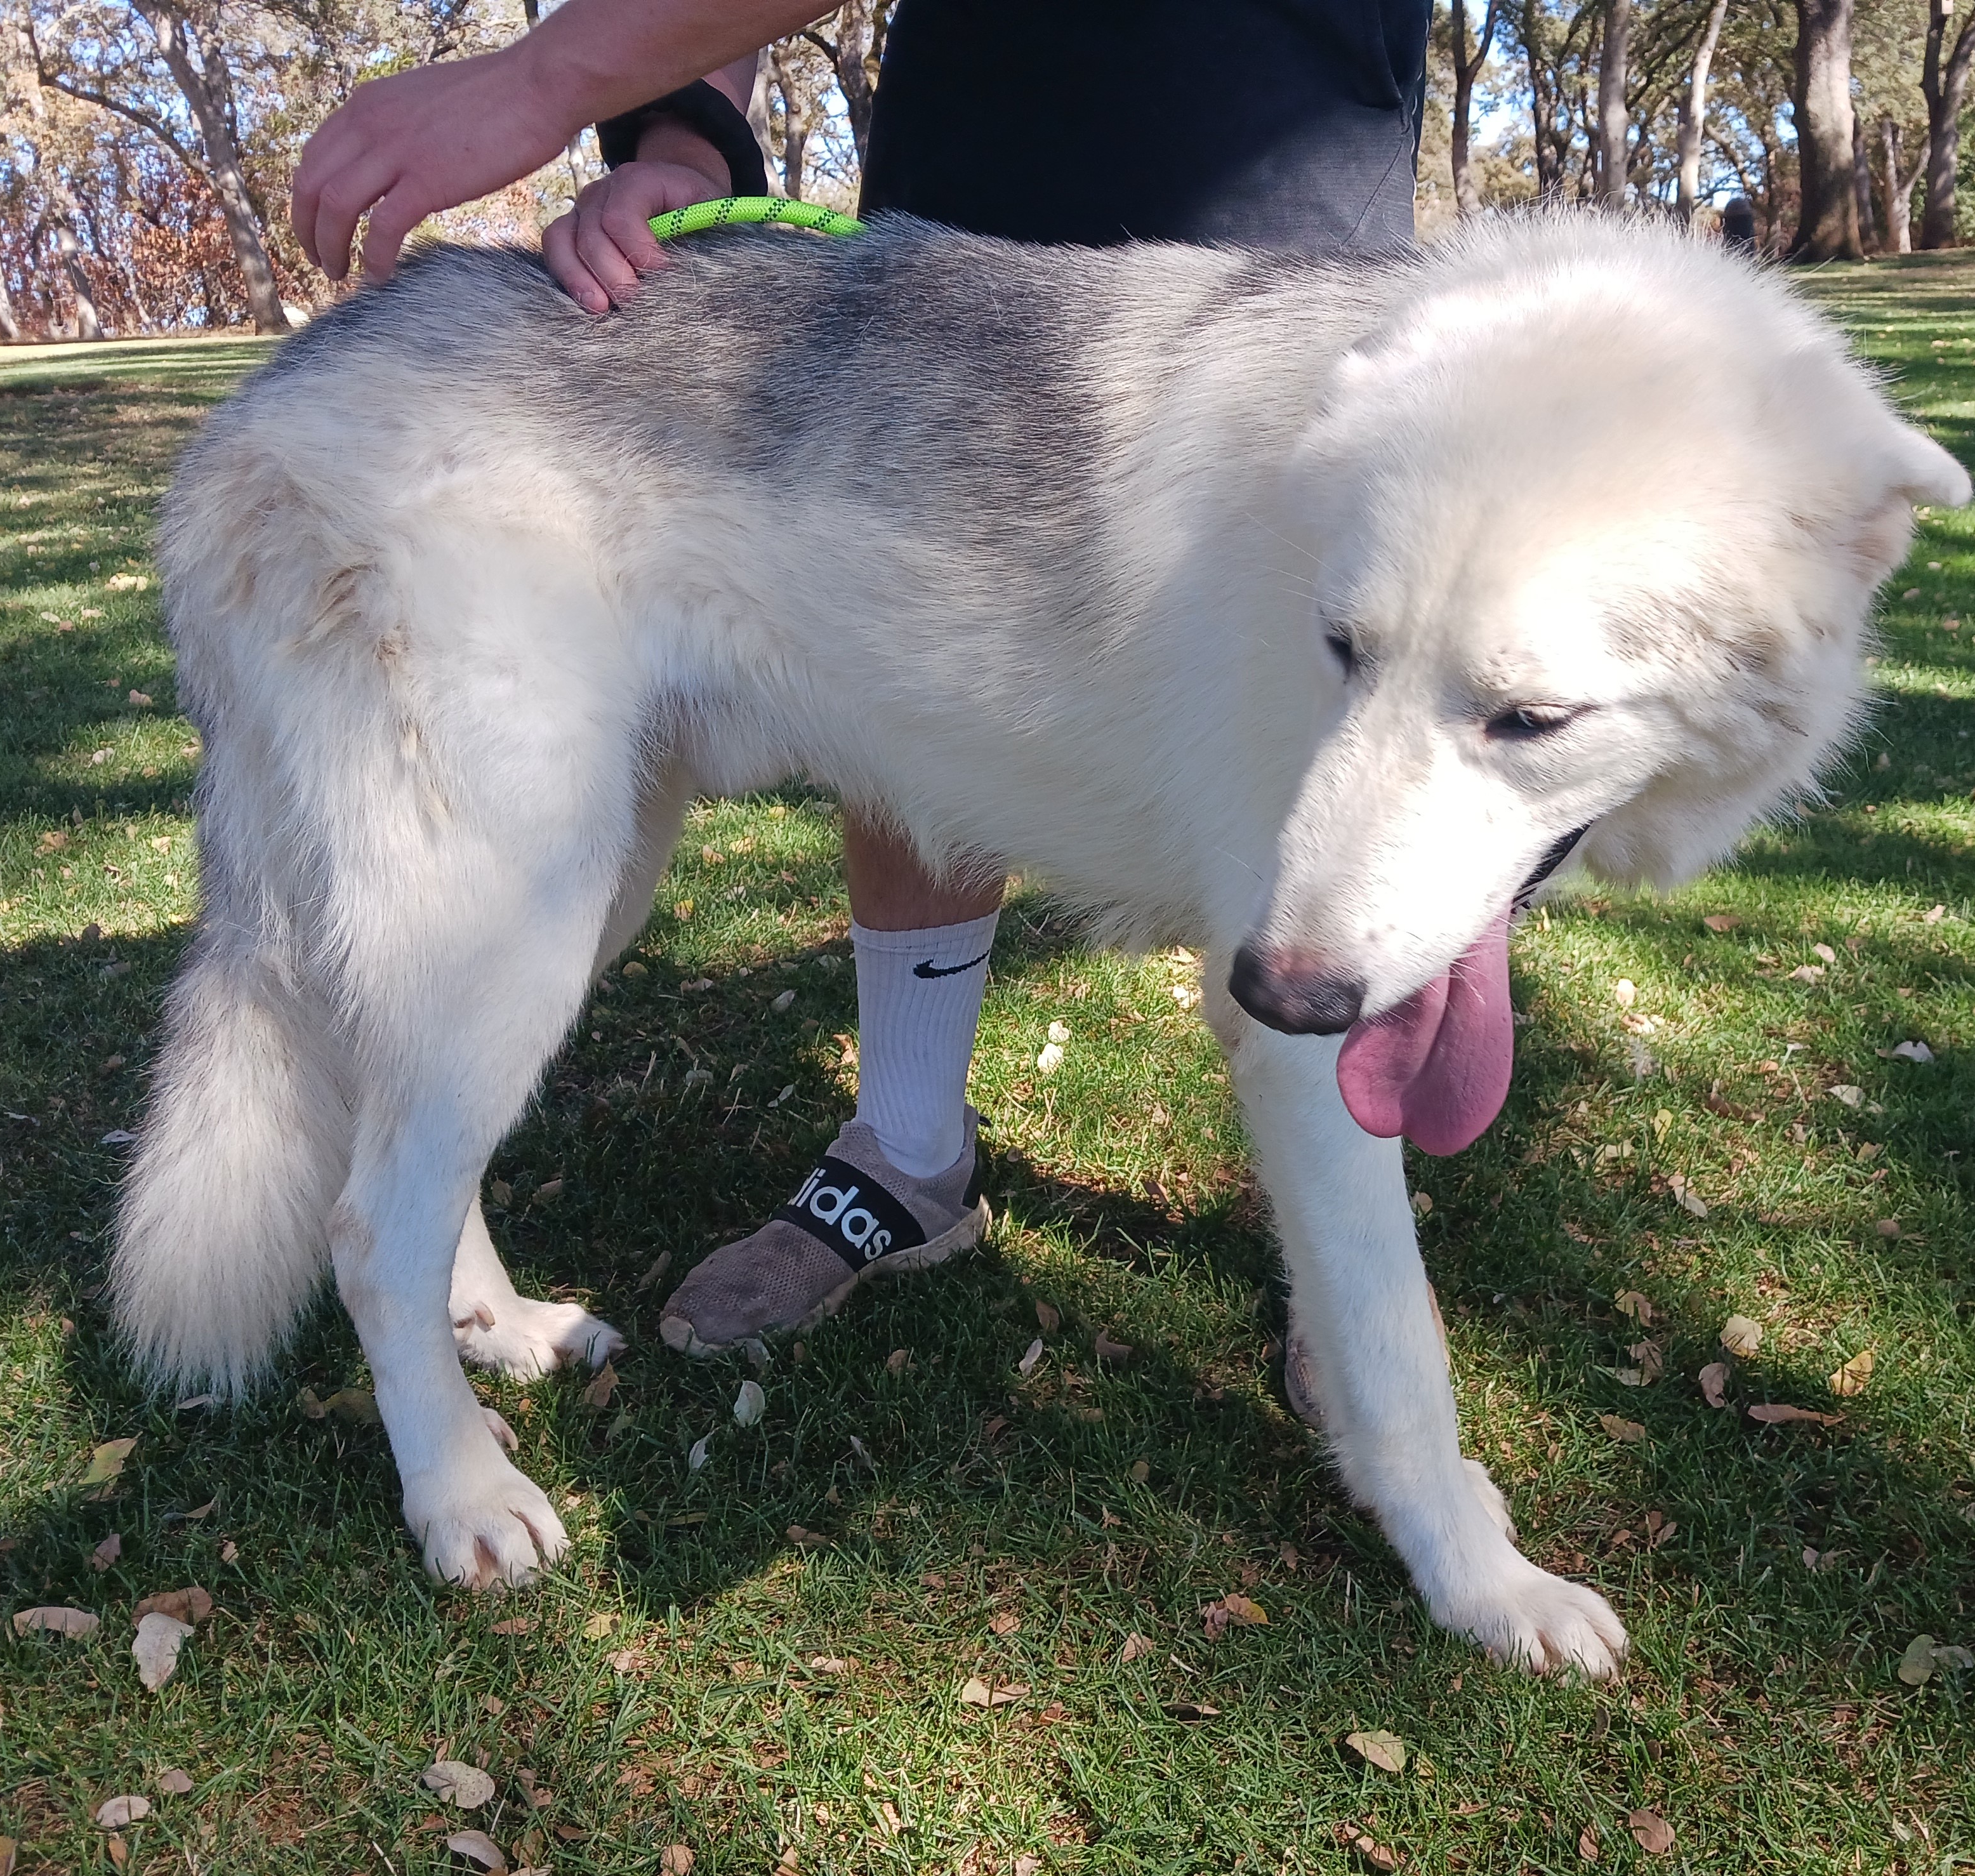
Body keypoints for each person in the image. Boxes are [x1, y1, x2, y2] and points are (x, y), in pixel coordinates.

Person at [291, 0, 1435, 1359]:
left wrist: (551, 72)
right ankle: (906, 1146)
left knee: (1354, 736)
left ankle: (1355, 1284)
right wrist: (686, 128)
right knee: (907, 668)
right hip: (973, 193)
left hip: (1286, 199)